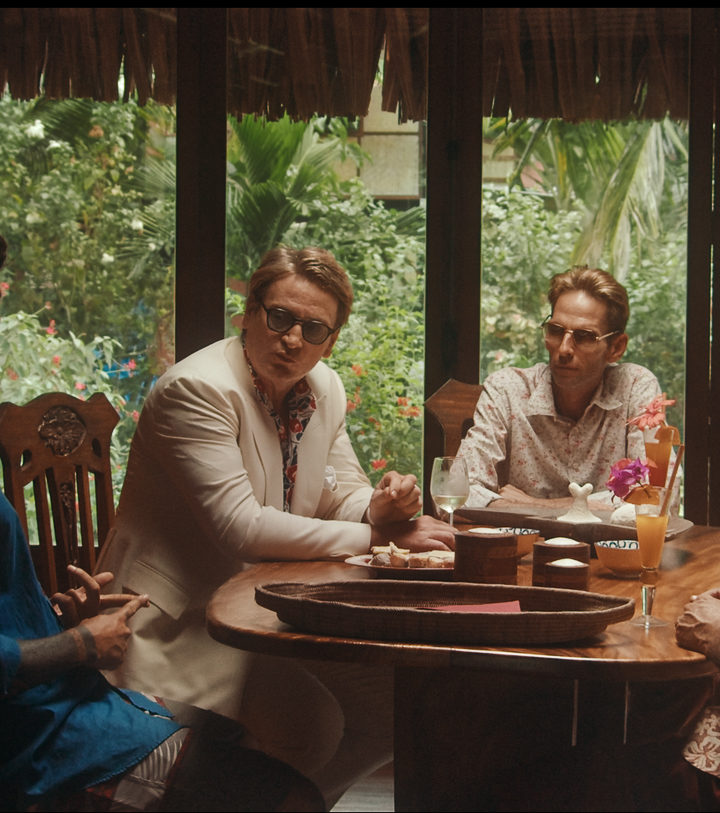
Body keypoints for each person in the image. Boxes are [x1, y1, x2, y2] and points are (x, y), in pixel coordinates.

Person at [96, 246, 454, 808]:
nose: (292, 339)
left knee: (393, 706)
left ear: (331, 340)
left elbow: (339, 491)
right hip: (175, 622)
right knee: (312, 728)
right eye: (279, 317)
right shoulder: (197, 389)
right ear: (248, 313)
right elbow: (241, 527)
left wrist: (380, 507)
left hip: (261, 610)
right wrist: (379, 537)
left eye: (313, 329)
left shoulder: (324, 387)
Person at [0, 469, 325, 812]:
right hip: (38, 741)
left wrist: (56, 619)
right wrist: (79, 644)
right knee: (296, 800)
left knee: (239, 736)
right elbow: (242, 525)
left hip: (69, 697)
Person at [459, 265, 662, 509]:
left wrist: (534, 506)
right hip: (521, 537)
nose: (564, 349)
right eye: (556, 331)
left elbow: (655, 495)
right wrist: (592, 507)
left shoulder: (634, 386)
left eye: (584, 336)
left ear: (616, 347)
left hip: (597, 540)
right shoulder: (507, 389)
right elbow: (457, 493)